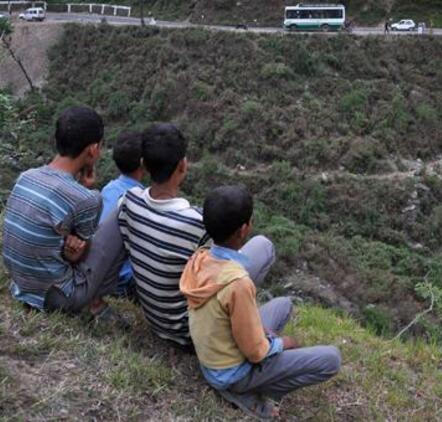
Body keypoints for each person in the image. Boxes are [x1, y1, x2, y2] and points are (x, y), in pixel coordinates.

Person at [180, 185, 341, 419]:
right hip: (230, 373)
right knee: (331, 359)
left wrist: (256, 329)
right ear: (244, 229)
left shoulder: (199, 258)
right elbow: (256, 353)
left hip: (213, 355)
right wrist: (283, 343)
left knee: (283, 304)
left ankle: (254, 376)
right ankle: (255, 393)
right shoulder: (238, 283)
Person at [118, 124, 275, 348]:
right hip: (192, 333)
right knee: (263, 247)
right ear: (183, 165)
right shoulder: (196, 224)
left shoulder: (128, 202)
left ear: (143, 164)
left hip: (155, 320)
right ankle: (244, 321)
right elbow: (224, 270)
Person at [2, 106, 126, 320]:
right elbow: (79, 257)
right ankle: (96, 302)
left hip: (20, 284)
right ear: (93, 150)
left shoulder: (27, 177)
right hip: (57, 298)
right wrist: (86, 190)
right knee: (125, 209)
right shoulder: (87, 198)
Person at [99, 131, 145, 297]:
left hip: (100, 275)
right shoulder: (141, 199)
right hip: (124, 282)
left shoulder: (108, 189)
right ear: (143, 163)